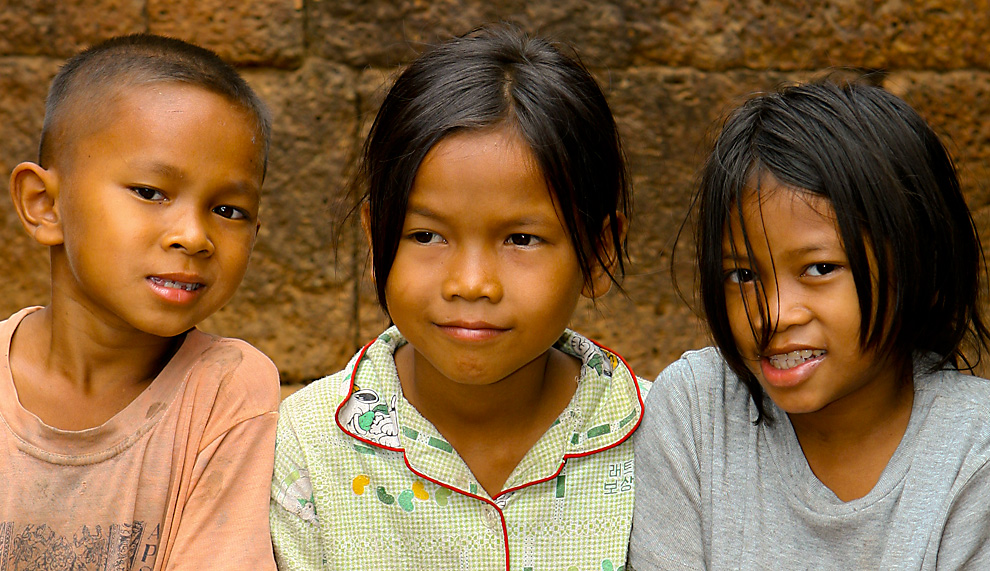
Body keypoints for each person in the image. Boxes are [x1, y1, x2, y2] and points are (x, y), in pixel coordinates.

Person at [270, 25, 649, 570]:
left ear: (597, 250)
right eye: (426, 235)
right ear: (376, 238)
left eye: (521, 239)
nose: (471, 283)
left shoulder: (662, 442)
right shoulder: (308, 447)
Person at [628, 80, 990, 569]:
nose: (774, 314)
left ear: (917, 263)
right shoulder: (697, 412)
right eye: (743, 274)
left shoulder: (974, 451)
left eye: (820, 269)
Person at [0, 34, 280, 570]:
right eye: (151, 193)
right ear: (44, 205)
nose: (194, 236)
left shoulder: (225, 390)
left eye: (228, 210)